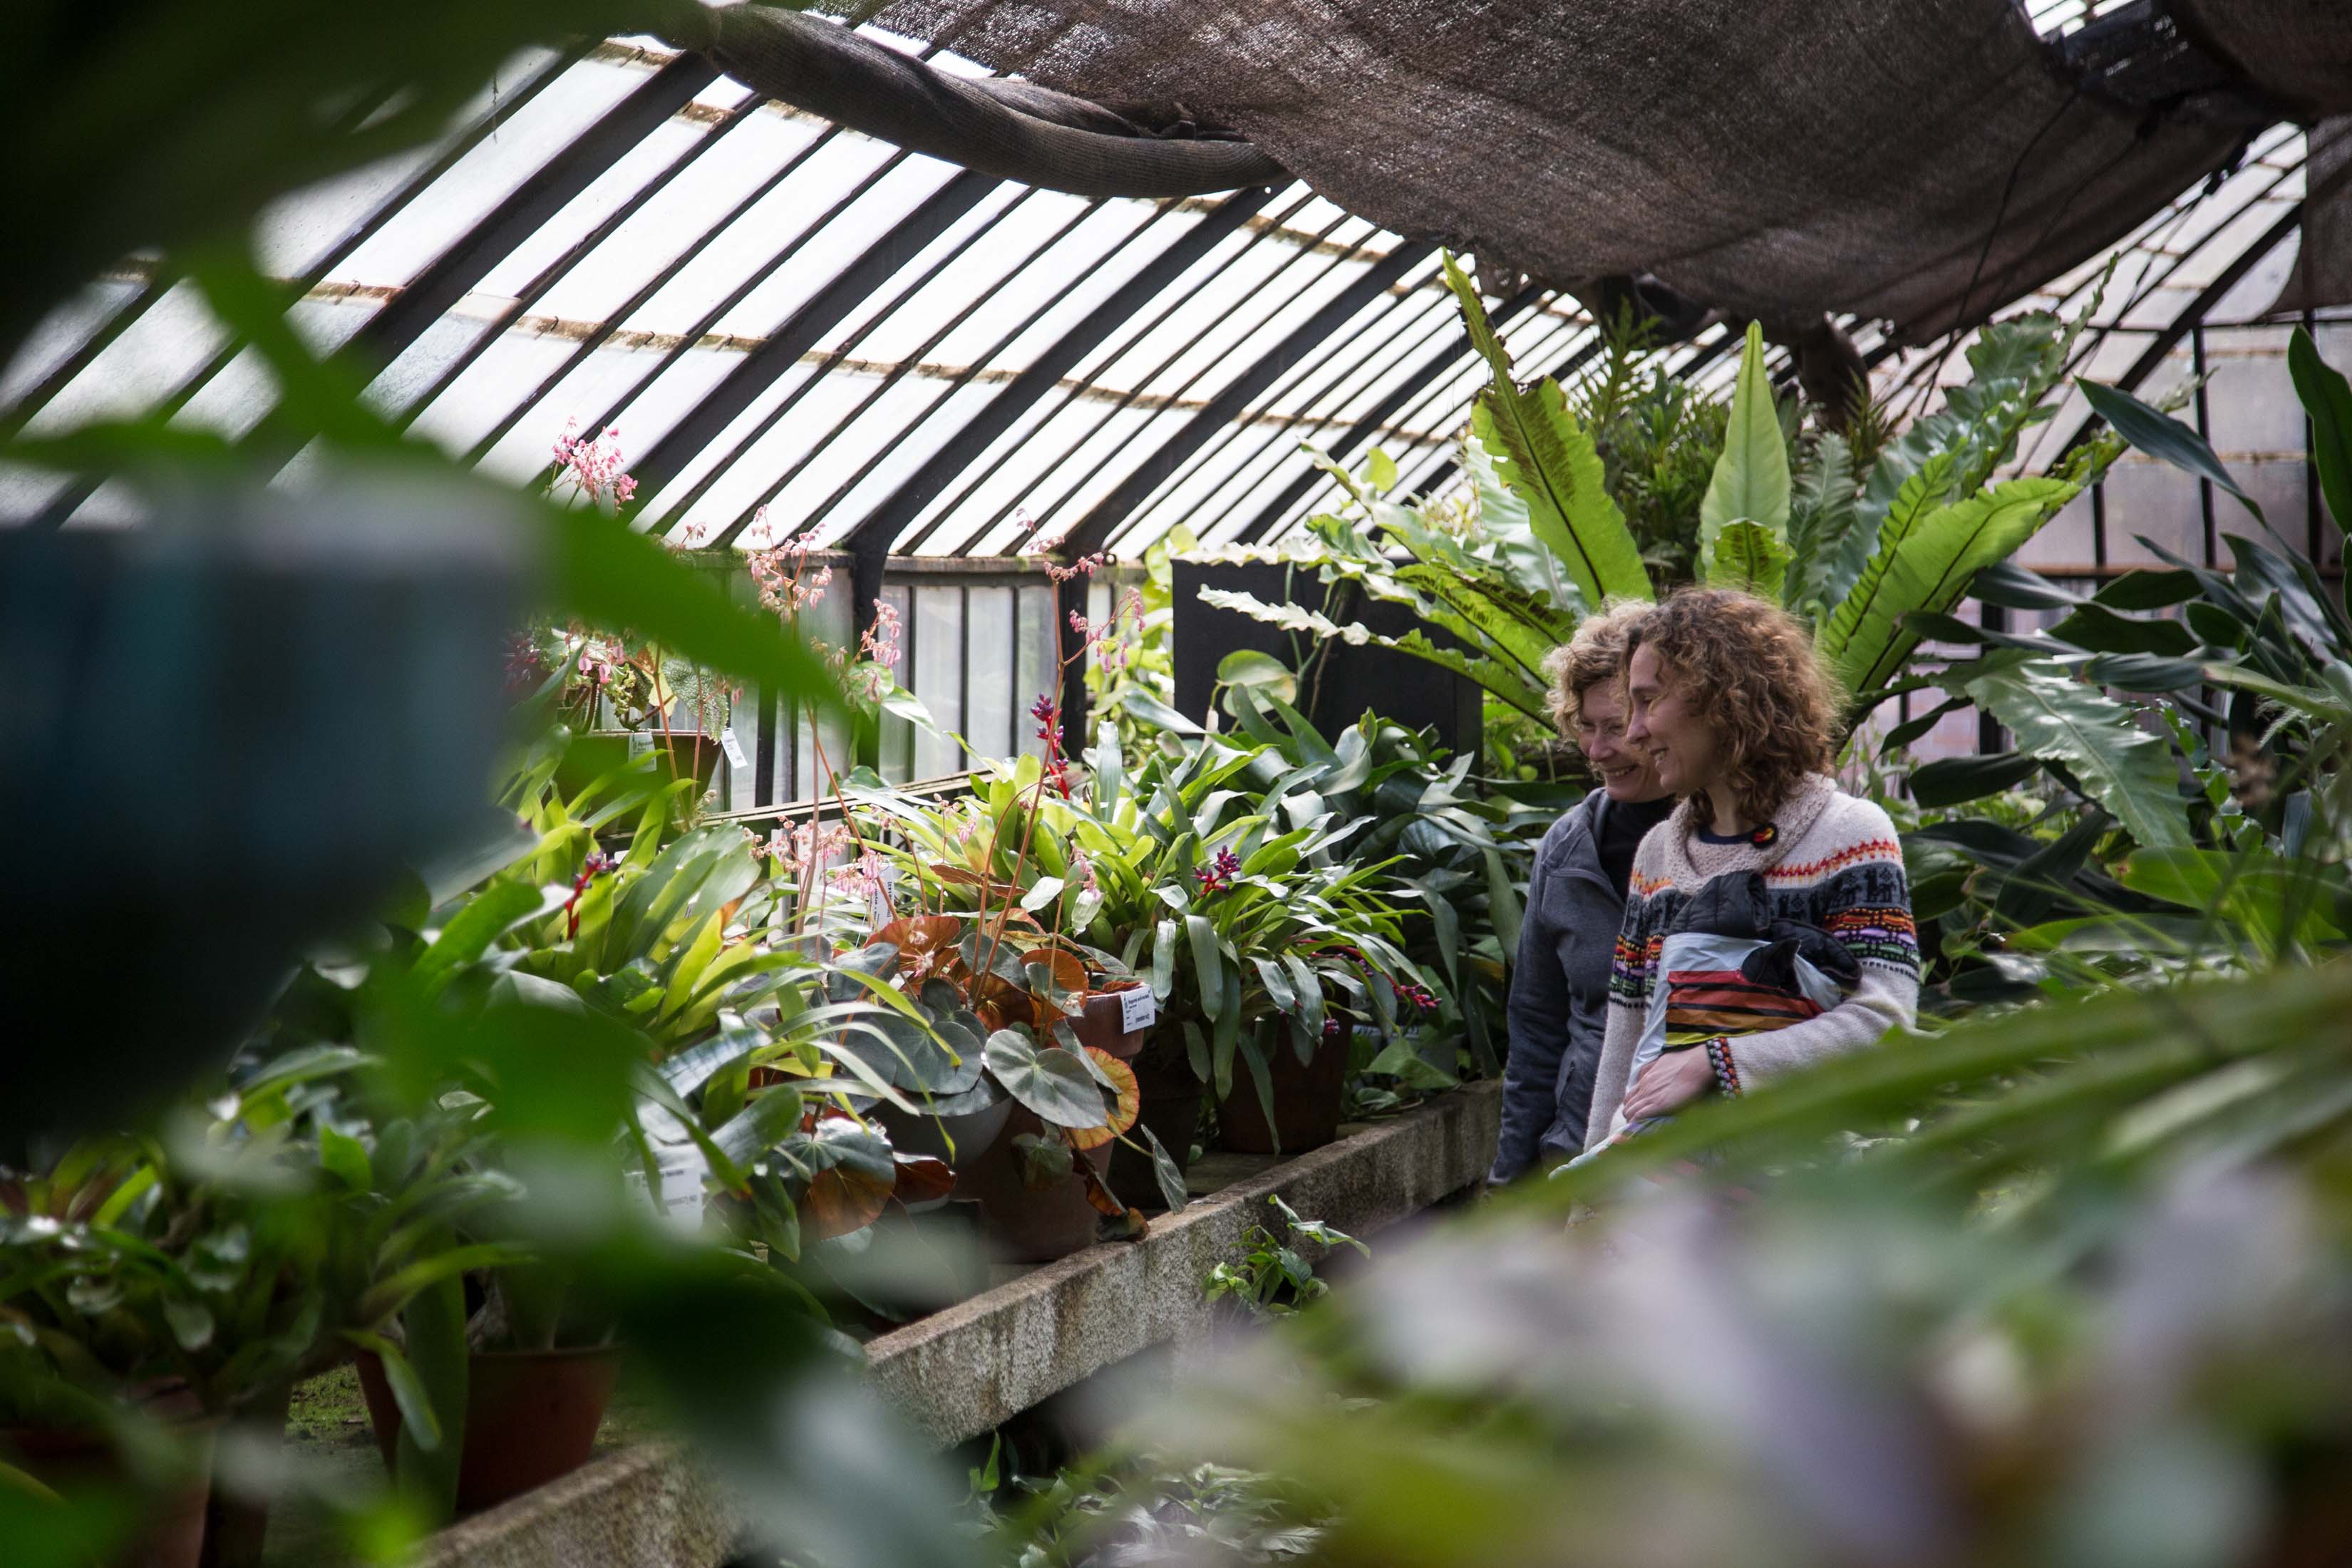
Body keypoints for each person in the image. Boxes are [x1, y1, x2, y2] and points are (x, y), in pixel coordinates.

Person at [1585, 589, 1919, 1150]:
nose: (1634, 731)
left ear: (1720, 698)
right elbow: (1626, 1047)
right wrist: (1587, 1202)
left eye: (1648, 701)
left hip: (1813, 1202)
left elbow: (1884, 1024)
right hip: (1668, 1207)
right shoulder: (1656, 857)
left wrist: (1718, 1063)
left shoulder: (1849, 837)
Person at [1488, 604, 1678, 1185]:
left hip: (1701, 1173)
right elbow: (1537, 1029)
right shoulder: (1567, 850)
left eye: (1615, 727)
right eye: (1586, 727)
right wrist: (1510, 1188)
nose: (1596, 752)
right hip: (1579, 1158)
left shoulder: (1726, 841)